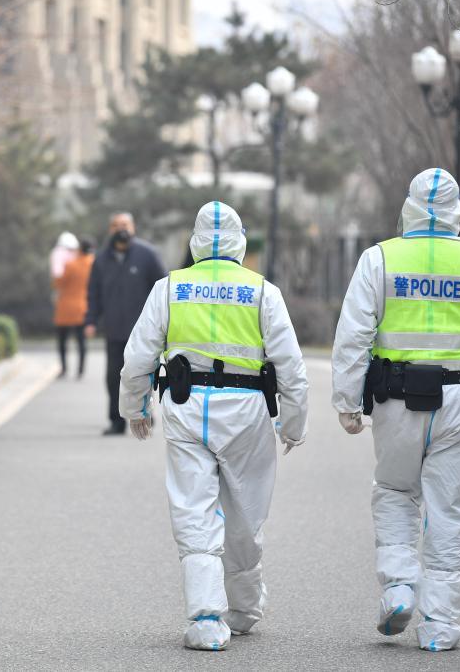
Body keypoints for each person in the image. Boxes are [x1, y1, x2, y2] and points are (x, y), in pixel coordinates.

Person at [331, 168, 460, 652]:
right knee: (449, 508)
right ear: (457, 210)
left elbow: (353, 335)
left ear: (409, 206)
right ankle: (440, 625)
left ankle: (399, 587)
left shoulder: (381, 258)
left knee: (396, 491)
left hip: (395, 399)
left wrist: (348, 401)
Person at [120, 201, 308, 651]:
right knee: (245, 514)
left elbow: (137, 357)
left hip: (186, 407)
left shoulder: (170, 288)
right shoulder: (262, 292)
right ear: (239, 243)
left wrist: (137, 408)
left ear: (196, 242)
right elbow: (291, 367)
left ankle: (206, 618)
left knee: (193, 511)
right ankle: (243, 609)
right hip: (247, 412)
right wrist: (293, 423)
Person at [85, 212, 167, 435]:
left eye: (125, 224)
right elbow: (93, 293)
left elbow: (163, 289)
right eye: (116, 225)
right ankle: (116, 421)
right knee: (113, 377)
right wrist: (90, 320)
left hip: (143, 332)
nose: (121, 229)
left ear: (133, 228)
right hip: (114, 329)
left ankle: (145, 413)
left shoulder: (148, 255)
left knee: (143, 374)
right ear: (110, 229)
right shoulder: (101, 260)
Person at [52, 237, 94, 379]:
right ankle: (81, 370)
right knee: (81, 340)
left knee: (62, 340)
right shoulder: (94, 264)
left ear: (80, 249)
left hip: (66, 307)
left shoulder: (71, 265)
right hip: (84, 306)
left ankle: (64, 369)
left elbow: (58, 283)